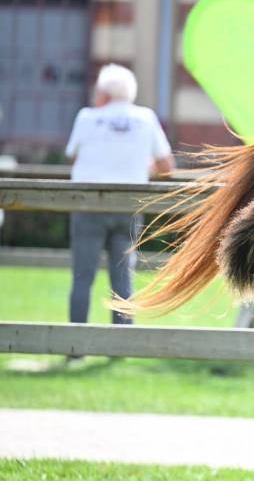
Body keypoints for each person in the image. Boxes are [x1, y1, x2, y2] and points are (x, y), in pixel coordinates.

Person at [65, 64, 174, 328]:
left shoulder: (87, 117)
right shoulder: (146, 118)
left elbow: (72, 155)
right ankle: (123, 339)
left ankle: (74, 341)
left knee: (82, 277)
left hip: (89, 206)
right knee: (123, 279)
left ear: (104, 92)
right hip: (128, 207)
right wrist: (143, 166)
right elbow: (167, 166)